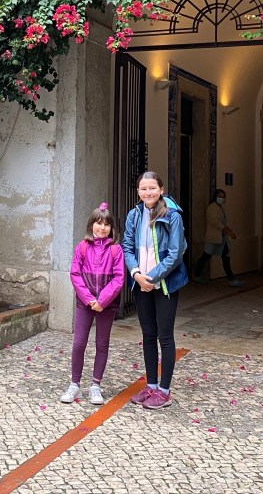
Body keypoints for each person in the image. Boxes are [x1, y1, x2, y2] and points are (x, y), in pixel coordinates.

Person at [122, 171, 188, 410]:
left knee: (165, 336)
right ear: (138, 191)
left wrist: (151, 277)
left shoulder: (172, 215)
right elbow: (127, 246)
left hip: (165, 284)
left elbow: (176, 252)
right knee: (148, 334)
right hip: (140, 282)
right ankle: (151, 385)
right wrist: (136, 274)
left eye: (152, 188)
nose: (147, 192)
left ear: (161, 189)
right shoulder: (134, 214)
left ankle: (164, 391)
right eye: (143, 188)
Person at [60, 202, 125, 405]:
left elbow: (118, 278)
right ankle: (75, 384)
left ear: (111, 228)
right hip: (85, 303)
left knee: (102, 344)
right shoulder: (82, 247)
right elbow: (75, 273)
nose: (102, 228)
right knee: (79, 343)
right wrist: (89, 299)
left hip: (107, 304)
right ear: (91, 225)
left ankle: (95, 386)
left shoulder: (115, 250)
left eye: (106, 224)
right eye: (98, 223)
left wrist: (102, 300)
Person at [193, 188, 244, 287]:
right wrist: (228, 231)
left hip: (221, 239)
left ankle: (231, 279)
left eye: (223, 197)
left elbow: (222, 222)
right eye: (219, 196)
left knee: (225, 257)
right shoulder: (212, 207)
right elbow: (215, 222)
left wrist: (228, 230)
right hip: (214, 238)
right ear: (215, 197)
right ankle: (196, 274)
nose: (221, 198)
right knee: (206, 256)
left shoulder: (219, 208)